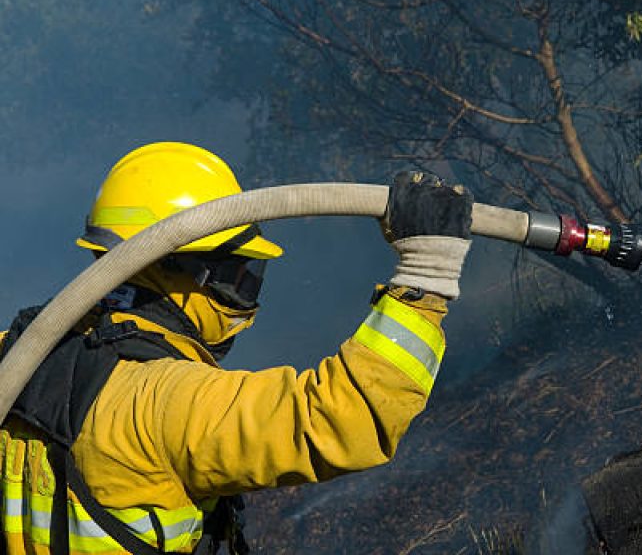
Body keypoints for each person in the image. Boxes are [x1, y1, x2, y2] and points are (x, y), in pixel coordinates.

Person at [0, 142, 473, 554]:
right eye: (234, 275)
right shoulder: (164, 402)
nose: (245, 295)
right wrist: (426, 276)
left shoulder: (18, 357)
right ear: (167, 266)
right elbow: (342, 418)